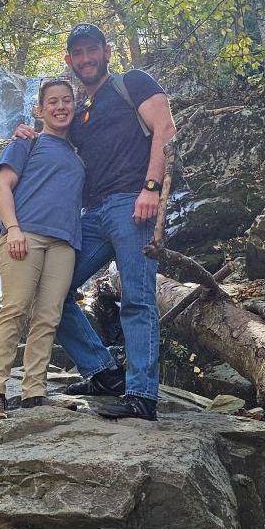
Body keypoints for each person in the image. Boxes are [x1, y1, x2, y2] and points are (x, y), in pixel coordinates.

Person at [13, 23, 176, 422]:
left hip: (132, 205)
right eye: (78, 54)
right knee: (49, 293)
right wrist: (29, 135)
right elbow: (57, 143)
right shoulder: (80, 110)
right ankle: (103, 373)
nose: (86, 59)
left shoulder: (132, 82)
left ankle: (141, 394)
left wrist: (151, 188)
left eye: (92, 51)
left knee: (137, 297)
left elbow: (165, 128)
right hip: (92, 216)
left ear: (106, 51)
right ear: (69, 61)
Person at [0, 79, 85, 419]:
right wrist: (13, 229)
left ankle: (34, 394)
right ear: (39, 110)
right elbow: (2, 186)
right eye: (52, 101)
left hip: (64, 242)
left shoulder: (79, 153)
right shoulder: (27, 142)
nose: (60, 106)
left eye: (66, 100)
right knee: (15, 308)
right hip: (24, 235)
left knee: (48, 317)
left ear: (75, 105)